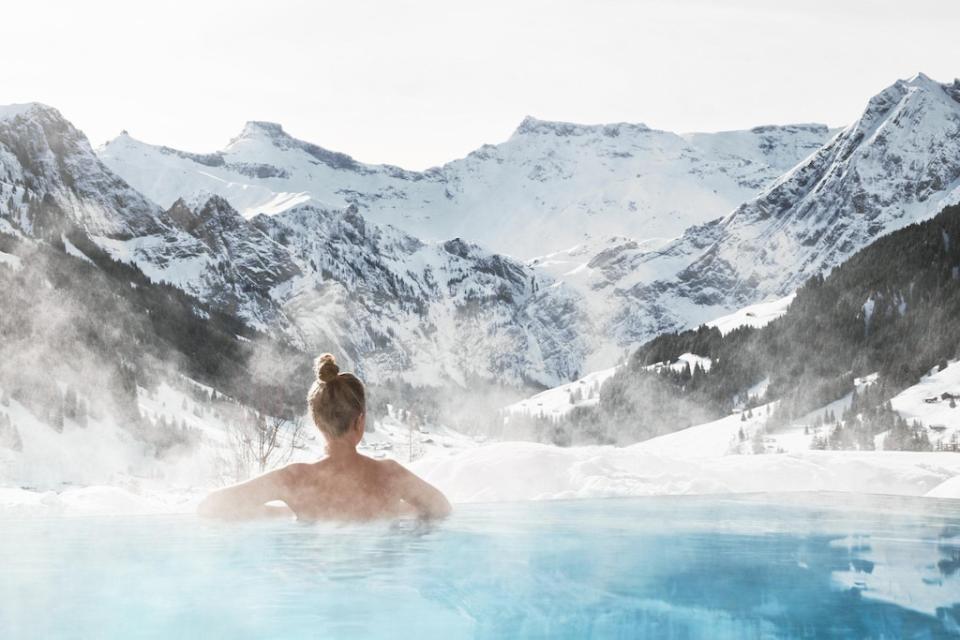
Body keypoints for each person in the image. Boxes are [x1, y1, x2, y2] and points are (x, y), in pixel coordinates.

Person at [198, 354, 451, 521]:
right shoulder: (391, 476)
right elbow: (442, 509)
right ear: (360, 421)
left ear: (316, 422)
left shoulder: (295, 480)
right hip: (380, 586)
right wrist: (394, 509)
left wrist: (283, 512)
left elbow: (209, 507)